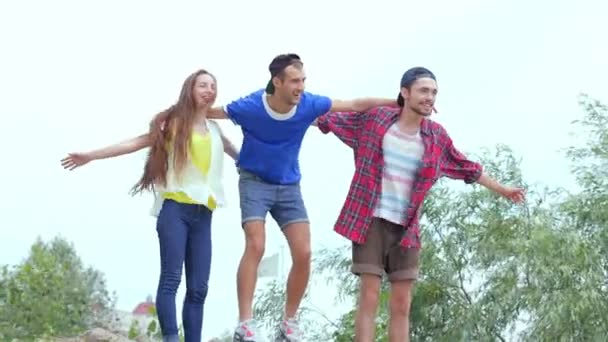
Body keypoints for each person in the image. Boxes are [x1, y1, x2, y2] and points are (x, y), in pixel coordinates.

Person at [314, 67, 526, 342]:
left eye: (434, 92)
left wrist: (504, 189)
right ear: (405, 92)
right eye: (424, 91)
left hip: (407, 229)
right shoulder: (376, 121)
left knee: (402, 304)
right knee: (370, 296)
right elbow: (325, 117)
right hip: (371, 219)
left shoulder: (436, 136)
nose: (430, 97)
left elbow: (467, 167)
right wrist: (285, 111)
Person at [204, 53, 396, 342]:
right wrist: (177, 111)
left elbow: (354, 105)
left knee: (304, 253)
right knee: (256, 244)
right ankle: (245, 324)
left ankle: (289, 323)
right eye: (295, 81)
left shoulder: (308, 104)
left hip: (289, 186)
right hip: (254, 182)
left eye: (303, 80)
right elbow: (211, 112)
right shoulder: (251, 106)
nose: (301, 86)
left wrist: (398, 101)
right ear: (276, 81)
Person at [61, 69, 239, 342]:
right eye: (202, 85)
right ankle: (170, 337)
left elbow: (236, 153)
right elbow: (136, 142)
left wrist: (256, 167)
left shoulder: (214, 129)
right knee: (171, 279)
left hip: (204, 215)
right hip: (175, 211)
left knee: (199, 288)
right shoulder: (173, 125)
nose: (209, 90)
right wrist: (91, 156)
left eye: (213, 86)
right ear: (189, 90)